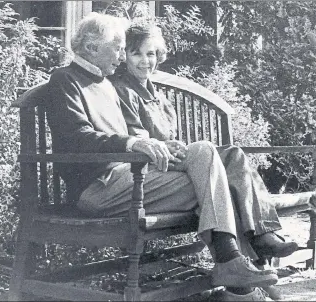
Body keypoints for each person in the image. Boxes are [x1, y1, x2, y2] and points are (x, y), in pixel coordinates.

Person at [44, 12, 278, 300]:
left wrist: (164, 147)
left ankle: (232, 265)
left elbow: (134, 136)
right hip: (98, 188)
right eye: (117, 48)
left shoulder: (105, 83)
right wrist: (133, 144)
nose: (120, 56)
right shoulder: (65, 80)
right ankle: (242, 278)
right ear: (92, 48)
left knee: (204, 155)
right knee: (216, 182)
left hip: (129, 179)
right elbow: (78, 138)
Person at [110, 23, 298, 301]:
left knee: (232, 155)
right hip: (148, 171)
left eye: (151, 54)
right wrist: (168, 148)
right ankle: (251, 269)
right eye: (136, 53)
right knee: (215, 179)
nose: (144, 61)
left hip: (173, 162)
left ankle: (261, 237)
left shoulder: (158, 97)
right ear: (124, 55)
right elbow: (139, 141)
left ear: (159, 56)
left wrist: (176, 147)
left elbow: (172, 138)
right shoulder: (123, 91)